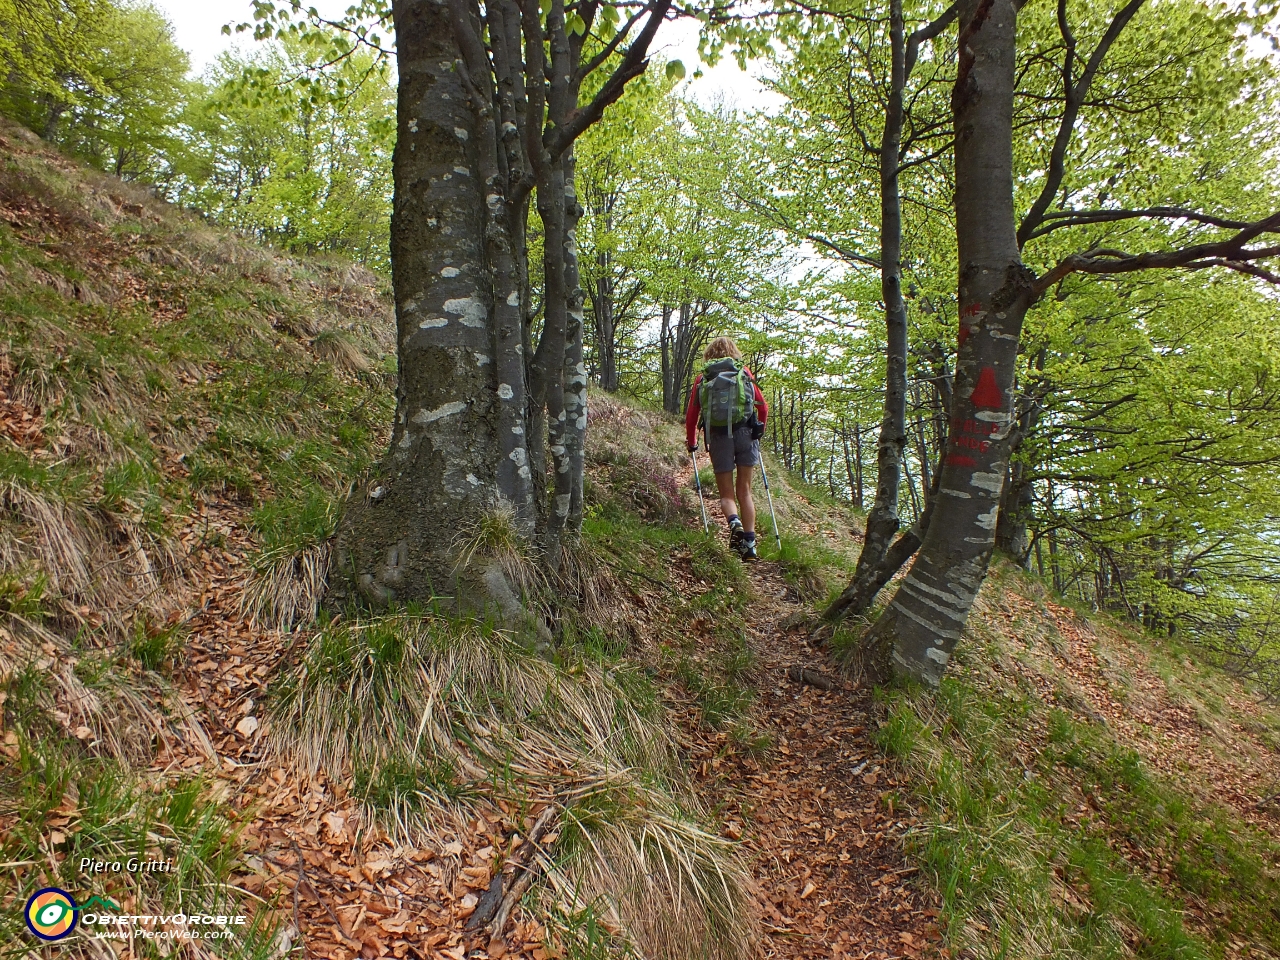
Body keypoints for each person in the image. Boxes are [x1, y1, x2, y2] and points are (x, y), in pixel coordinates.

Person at [686, 337, 768, 560]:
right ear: (734, 352)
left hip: (719, 437)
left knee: (726, 494)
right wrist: (759, 430)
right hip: (745, 434)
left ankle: (734, 523)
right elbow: (763, 406)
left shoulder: (703, 379)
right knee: (745, 491)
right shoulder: (744, 373)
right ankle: (749, 545)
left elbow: (692, 416)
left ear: (708, 355)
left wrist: (692, 441)